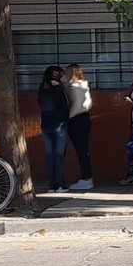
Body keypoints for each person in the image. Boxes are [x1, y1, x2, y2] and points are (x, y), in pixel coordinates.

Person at [36, 66, 69, 192]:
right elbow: (65, 106)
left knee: (50, 155)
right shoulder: (59, 88)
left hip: (46, 125)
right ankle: (60, 184)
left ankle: (51, 185)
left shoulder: (42, 87)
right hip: (59, 124)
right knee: (58, 155)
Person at [65, 63, 94, 191]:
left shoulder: (72, 87)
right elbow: (88, 103)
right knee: (84, 150)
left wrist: (68, 117)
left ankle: (86, 178)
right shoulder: (84, 86)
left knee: (81, 150)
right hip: (85, 118)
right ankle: (87, 177)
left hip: (76, 120)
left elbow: (76, 104)